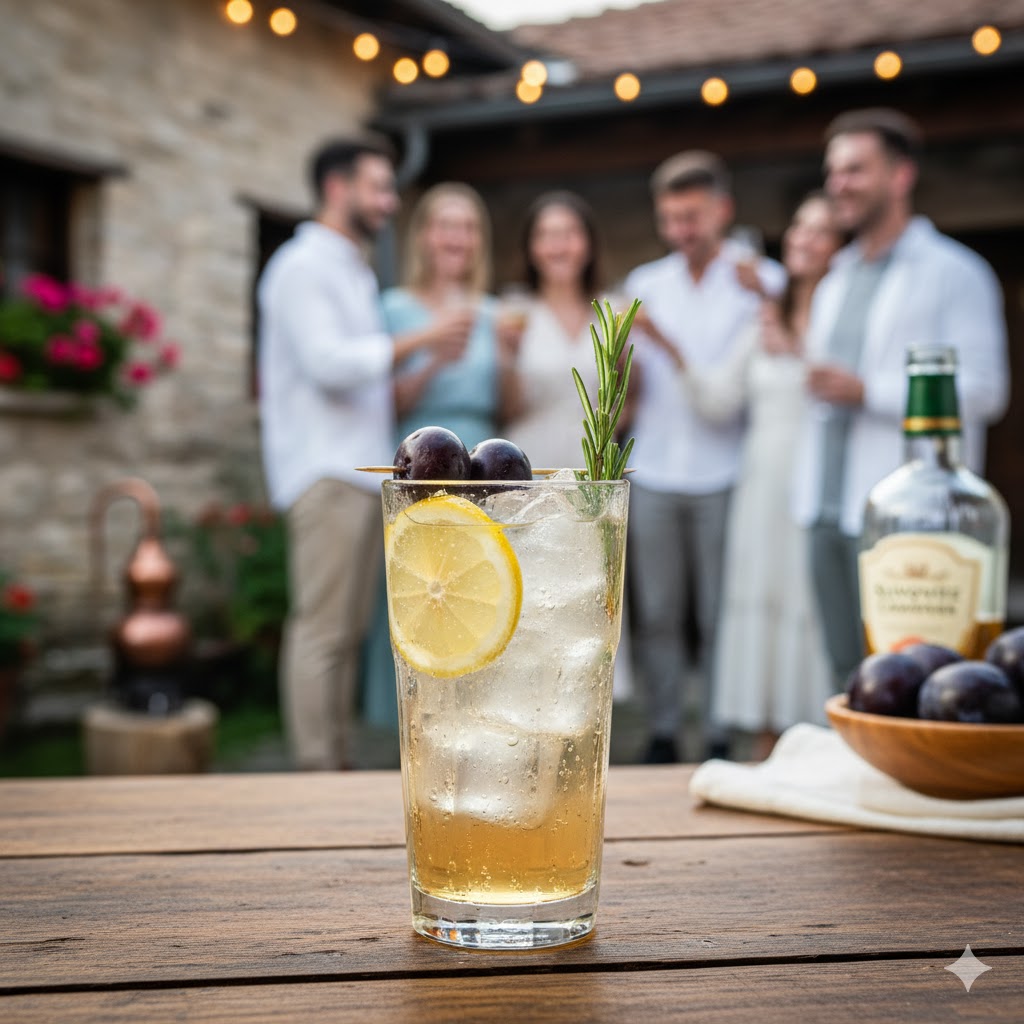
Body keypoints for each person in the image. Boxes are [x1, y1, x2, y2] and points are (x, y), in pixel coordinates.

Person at [258, 137, 462, 770]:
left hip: (353, 471)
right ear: (337, 188)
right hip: (324, 472)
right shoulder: (301, 266)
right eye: (378, 186)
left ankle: (334, 768)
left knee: (343, 636)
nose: (389, 201)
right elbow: (327, 365)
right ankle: (316, 774)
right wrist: (424, 337)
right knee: (321, 633)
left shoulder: (349, 267)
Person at [792, 108, 1010, 686]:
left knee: (920, 673)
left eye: (856, 170)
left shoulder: (957, 273)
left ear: (900, 175)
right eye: (833, 171)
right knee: (845, 670)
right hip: (825, 508)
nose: (839, 184)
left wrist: (868, 392)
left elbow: (987, 392)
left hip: (909, 515)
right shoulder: (834, 278)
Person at [651, 193, 842, 760]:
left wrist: (800, 352)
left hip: (811, 478)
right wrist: (670, 350)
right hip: (760, 479)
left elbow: (847, 387)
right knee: (757, 601)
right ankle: (763, 743)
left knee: (807, 604)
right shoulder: (764, 319)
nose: (804, 239)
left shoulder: (834, 313)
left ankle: (816, 738)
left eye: (820, 230)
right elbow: (717, 399)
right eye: (799, 227)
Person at [624, 151, 785, 764]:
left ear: (723, 211)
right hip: (657, 468)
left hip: (726, 471)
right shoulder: (644, 284)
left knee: (721, 610)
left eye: (691, 216)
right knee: (659, 611)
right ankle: (665, 728)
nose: (680, 232)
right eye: (669, 219)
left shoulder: (759, 282)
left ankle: (720, 727)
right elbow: (632, 386)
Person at [360, 182, 522, 731]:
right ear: (425, 236)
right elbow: (384, 401)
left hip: (480, 465)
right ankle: (409, 721)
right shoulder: (394, 308)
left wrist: (505, 359)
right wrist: (432, 356)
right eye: (446, 225)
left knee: (474, 581)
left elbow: (509, 408)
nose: (458, 237)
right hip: (418, 459)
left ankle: (474, 718)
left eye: (469, 227)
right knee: (422, 584)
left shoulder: (495, 312)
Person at [502, 189, 634, 701]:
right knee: (532, 596)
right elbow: (506, 407)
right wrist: (507, 358)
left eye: (569, 233)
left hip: (589, 470)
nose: (558, 245)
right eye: (546, 234)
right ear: (532, 247)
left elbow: (625, 399)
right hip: (530, 467)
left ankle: (587, 710)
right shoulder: (515, 312)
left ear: (587, 243)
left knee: (586, 595)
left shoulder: (613, 310)